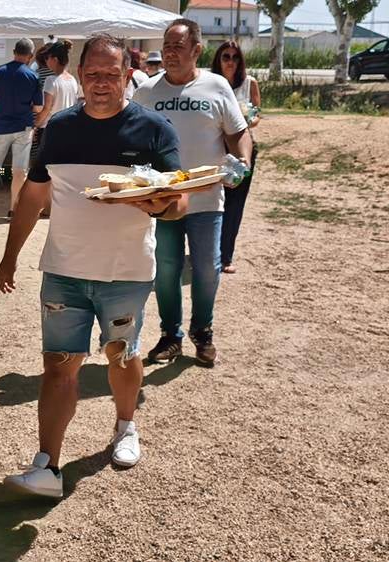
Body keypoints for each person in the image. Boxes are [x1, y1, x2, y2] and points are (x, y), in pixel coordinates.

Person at [0, 33, 186, 498]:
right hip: (63, 271)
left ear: (128, 76)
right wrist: (10, 254)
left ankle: (125, 426)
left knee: (121, 354)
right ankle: (47, 466)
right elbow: (34, 195)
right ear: (80, 76)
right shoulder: (58, 129)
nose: (102, 83)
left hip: (126, 273)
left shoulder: (154, 130)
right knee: (59, 366)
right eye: (93, 74)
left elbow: (179, 202)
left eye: (111, 75)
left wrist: (157, 206)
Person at [132, 19, 252, 367]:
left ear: (197, 50)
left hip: (207, 198)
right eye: (167, 46)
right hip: (165, 201)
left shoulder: (216, 87)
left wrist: (241, 160)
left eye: (178, 47)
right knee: (166, 269)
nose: (170, 53)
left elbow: (238, 131)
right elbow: (135, 141)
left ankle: (203, 332)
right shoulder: (147, 92)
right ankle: (171, 335)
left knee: (207, 268)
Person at [0, 38, 43, 220]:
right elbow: (38, 107)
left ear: (14, 51)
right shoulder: (33, 76)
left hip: (1, 126)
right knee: (19, 171)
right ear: (30, 56)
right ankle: (13, 209)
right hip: (23, 127)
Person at [212, 41, 260, 275]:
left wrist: (245, 118)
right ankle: (210, 250)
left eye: (235, 57)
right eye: (225, 57)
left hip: (242, 146)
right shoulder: (210, 84)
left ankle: (225, 254)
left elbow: (258, 115)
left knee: (235, 203)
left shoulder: (249, 83)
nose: (230, 61)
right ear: (218, 60)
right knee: (212, 199)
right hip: (214, 146)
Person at [28, 42, 56, 169]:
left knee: (35, 158)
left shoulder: (34, 75)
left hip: (37, 120)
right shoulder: (59, 77)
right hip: (56, 123)